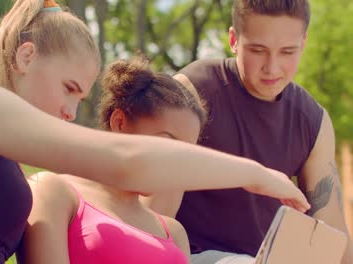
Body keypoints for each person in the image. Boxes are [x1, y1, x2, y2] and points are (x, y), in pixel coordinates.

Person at [0, 0, 309, 263]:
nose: (71, 111)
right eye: (69, 89)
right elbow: (127, 162)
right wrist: (255, 174)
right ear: (27, 56)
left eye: (80, 97)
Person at [144, 0, 352, 263]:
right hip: (190, 255)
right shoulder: (192, 91)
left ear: (304, 42)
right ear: (234, 40)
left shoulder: (314, 120)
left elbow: (334, 234)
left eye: (288, 52)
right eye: (257, 50)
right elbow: (154, 219)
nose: (272, 67)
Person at [18, 56, 203, 263]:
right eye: (167, 143)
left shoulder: (175, 233)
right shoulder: (54, 191)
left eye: (186, 153)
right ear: (119, 122)